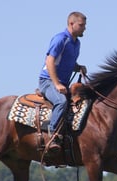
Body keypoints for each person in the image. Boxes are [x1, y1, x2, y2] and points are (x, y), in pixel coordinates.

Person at [39, 11, 87, 152]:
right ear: (72, 24)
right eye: (81, 25)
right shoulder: (60, 39)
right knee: (61, 101)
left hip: (61, 83)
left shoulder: (76, 43)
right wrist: (57, 84)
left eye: (85, 25)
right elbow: (50, 61)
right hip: (47, 81)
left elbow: (66, 63)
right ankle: (53, 135)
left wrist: (78, 68)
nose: (84, 28)